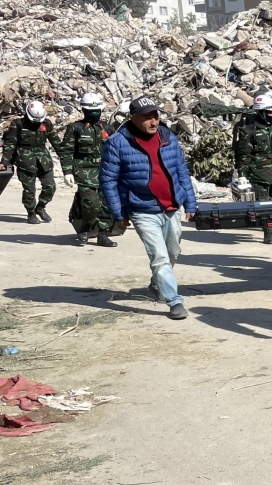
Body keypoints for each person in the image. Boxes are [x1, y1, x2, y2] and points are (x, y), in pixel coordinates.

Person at [98, 96, 197, 320]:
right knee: (159, 257)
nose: (153, 122)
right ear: (132, 118)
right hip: (142, 209)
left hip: (171, 207)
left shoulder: (167, 136)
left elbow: (181, 171)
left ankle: (156, 285)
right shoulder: (118, 143)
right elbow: (108, 181)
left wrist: (190, 202)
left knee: (173, 252)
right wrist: (119, 213)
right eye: (147, 118)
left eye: (155, 117)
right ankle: (174, 301)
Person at [60, 92, 117, 247]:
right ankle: (85, 226)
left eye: (97, 111)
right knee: (91, 203)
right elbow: (66, 151)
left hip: (106, 172)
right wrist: (67, 172)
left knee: (107, 204)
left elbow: (117, 151)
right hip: (84, 172)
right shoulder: (75, 128)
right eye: (91, 111)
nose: (94, 114)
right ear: (84, 111)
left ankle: (103, 234)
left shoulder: (107, 128)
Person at [233, 93, 272, 243]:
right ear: (261, 112)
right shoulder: (249, 130)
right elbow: (244, 155)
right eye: (269, 112)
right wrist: (242, 175)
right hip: (258, 174)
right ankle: (267, 232)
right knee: (263, 204)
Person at [1, 100, 60, 224]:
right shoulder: (18, 124)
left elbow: (56, 142)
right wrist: (4, 162)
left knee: (50, 186)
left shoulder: (46, 124)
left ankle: (41, 207)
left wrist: (66, 157)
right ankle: (31, 213)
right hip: (25, 161)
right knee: (29, 190)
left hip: (43, 161)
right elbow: (10, 144)